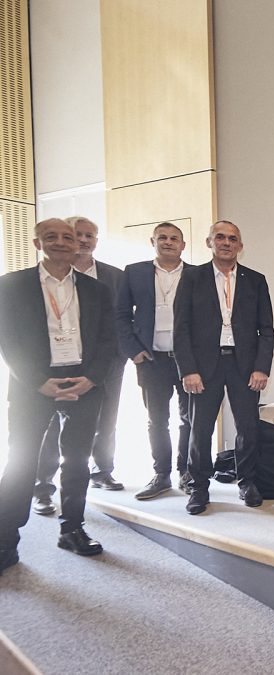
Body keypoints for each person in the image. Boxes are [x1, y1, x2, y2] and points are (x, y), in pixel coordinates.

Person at [0, 218, 119, 570]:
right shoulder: (12, 285)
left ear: (77, 244)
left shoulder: (97, 289)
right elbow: (8, 339)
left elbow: (109, 339)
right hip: (33, 385)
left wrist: (93, 378)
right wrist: (37, 381)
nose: (62, 242)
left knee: (77, 460)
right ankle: (6, 538)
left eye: (68, 237)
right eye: (51, 237)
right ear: (37, 243)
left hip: (83, 382)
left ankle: (72, 529)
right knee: (21, 462)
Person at [173, 220, 274, 515]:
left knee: (247, 427)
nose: (226, 243)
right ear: (209, 242)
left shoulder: (255, 280)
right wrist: (188, 370)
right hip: (204, 365)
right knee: (200, 429)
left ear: (240, 246)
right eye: (220, 237)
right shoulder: (192, 277)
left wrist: (262, 368)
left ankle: (247, 481)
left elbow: (266, 329)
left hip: (245, 365)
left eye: (232, 238)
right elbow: (181, 328)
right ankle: (198, 487)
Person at [33, 216, 125, 517]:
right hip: (54, 367)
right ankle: (43, 486)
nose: (84, 240)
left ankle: (102, 470)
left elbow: (121, 319)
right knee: (51, 427)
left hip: (102, 364)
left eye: (89, 235)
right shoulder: (40, 279)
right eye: (79, 235)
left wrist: (118, 357)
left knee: (106, 418)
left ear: (96, 240)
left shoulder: (114, 276)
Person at [116, 222, 193, 500]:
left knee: (189, 419)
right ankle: (161, 474)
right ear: (153, 242)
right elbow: (121, 315)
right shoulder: (134, 272)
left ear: (183, 245)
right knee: (156, 420)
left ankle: (187, 472)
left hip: (188, 361)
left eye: (174, 238)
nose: (168, 242)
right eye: (162, 237)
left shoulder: (196, 274)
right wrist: (134, 351)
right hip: (151, 359)